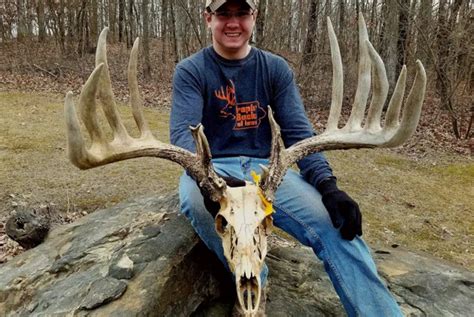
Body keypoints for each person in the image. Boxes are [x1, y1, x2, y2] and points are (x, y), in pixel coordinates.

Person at [170, 0, 403, 316]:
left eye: (242, 13)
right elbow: (184, 137)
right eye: (224, 14)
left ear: (254, 17)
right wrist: (208, 183)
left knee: (336, 226)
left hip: (266, 175)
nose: (233, 23)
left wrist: (328, 186)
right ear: (208, 18)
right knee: (195, 204)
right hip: (215, 169)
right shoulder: (191, 71)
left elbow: (299, 133)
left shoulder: (275, 69)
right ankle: (255, 278)